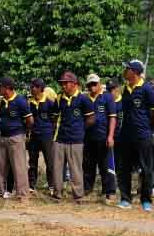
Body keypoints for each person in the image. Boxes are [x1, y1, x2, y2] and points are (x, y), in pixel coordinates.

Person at [116, 60, 154, 212]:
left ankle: (146, 200)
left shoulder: (147, 89)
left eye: (127, 69)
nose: (124, 71)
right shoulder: (125, 89)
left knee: (146, 168)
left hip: (143, 136)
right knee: (124, 168)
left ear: (134, 72)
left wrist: (151, 131)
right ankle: (125, 199)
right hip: (126, 136)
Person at [52, 72, 96, 201]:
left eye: (66, 83)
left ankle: (78, 195)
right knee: (57, 169)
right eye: (62, 83)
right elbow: (54, 117)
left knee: (75, 169)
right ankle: (57, 194)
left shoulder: (84, 99)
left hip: (76, 140)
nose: (63, 86)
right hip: (59, 139)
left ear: (74, 84)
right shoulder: (59, 98)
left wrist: (81, 129)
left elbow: (91, 119)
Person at [0, 77, 33, 199]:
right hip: (2, 137)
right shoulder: (3, 101)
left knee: (19, 167)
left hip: (16, 138)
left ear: (7, 88)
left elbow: (30, 120)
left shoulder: (21, 101)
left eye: (0, 86)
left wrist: (23, 133)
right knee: (0, 166)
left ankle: (22, 194)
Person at [82, 74, 117, 200]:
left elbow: (112, 117)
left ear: (99, 83)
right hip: (88, 138)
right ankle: (87, 189)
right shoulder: (84, 98)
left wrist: (111, 136)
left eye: (94, 84)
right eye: (90, 84)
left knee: (106, 165)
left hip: (104, 137)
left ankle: (109, 191)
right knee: (88, 165)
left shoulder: (107, 97)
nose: (92, 87)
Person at [26, 78, 57, 191]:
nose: (31, 89)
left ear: (40, 88)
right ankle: (31, 185)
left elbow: (54, 119)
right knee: (32, 162)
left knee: (50, 162)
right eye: (31, 87)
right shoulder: (29, 103)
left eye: (33, 87)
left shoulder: (50, 103)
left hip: (47, 136)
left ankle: (51, 185)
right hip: (34, 136)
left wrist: (51, 132)